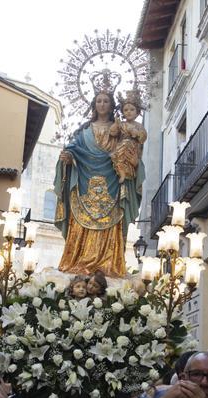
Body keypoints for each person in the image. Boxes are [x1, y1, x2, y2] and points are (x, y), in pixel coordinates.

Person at [54, 88, 144, 278]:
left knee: (111, 225)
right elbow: (73, 148)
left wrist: (131, 162)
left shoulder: (120, 129)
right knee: (80, 224)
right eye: (99, 101)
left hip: (113, 183)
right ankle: (77, 261)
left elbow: (134, 150)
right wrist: (68, 157)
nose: (102, 104)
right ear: (94, 104)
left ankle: (107, 264)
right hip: (84, 183)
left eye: (106, 101)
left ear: (112, 106)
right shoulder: (84, 131)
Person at [110, 91, 147, 186]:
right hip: (121, 150)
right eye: (126, 110)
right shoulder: (122, 124)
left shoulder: (139, 126)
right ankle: (121, 173)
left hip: (132, 149)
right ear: (123, 113)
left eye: (132, 109)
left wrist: (136, 133)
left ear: (137, 112)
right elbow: (113, 133)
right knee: (116, 157)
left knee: (126, 143)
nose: (129, 112)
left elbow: (143, 137)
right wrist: (116, 123)